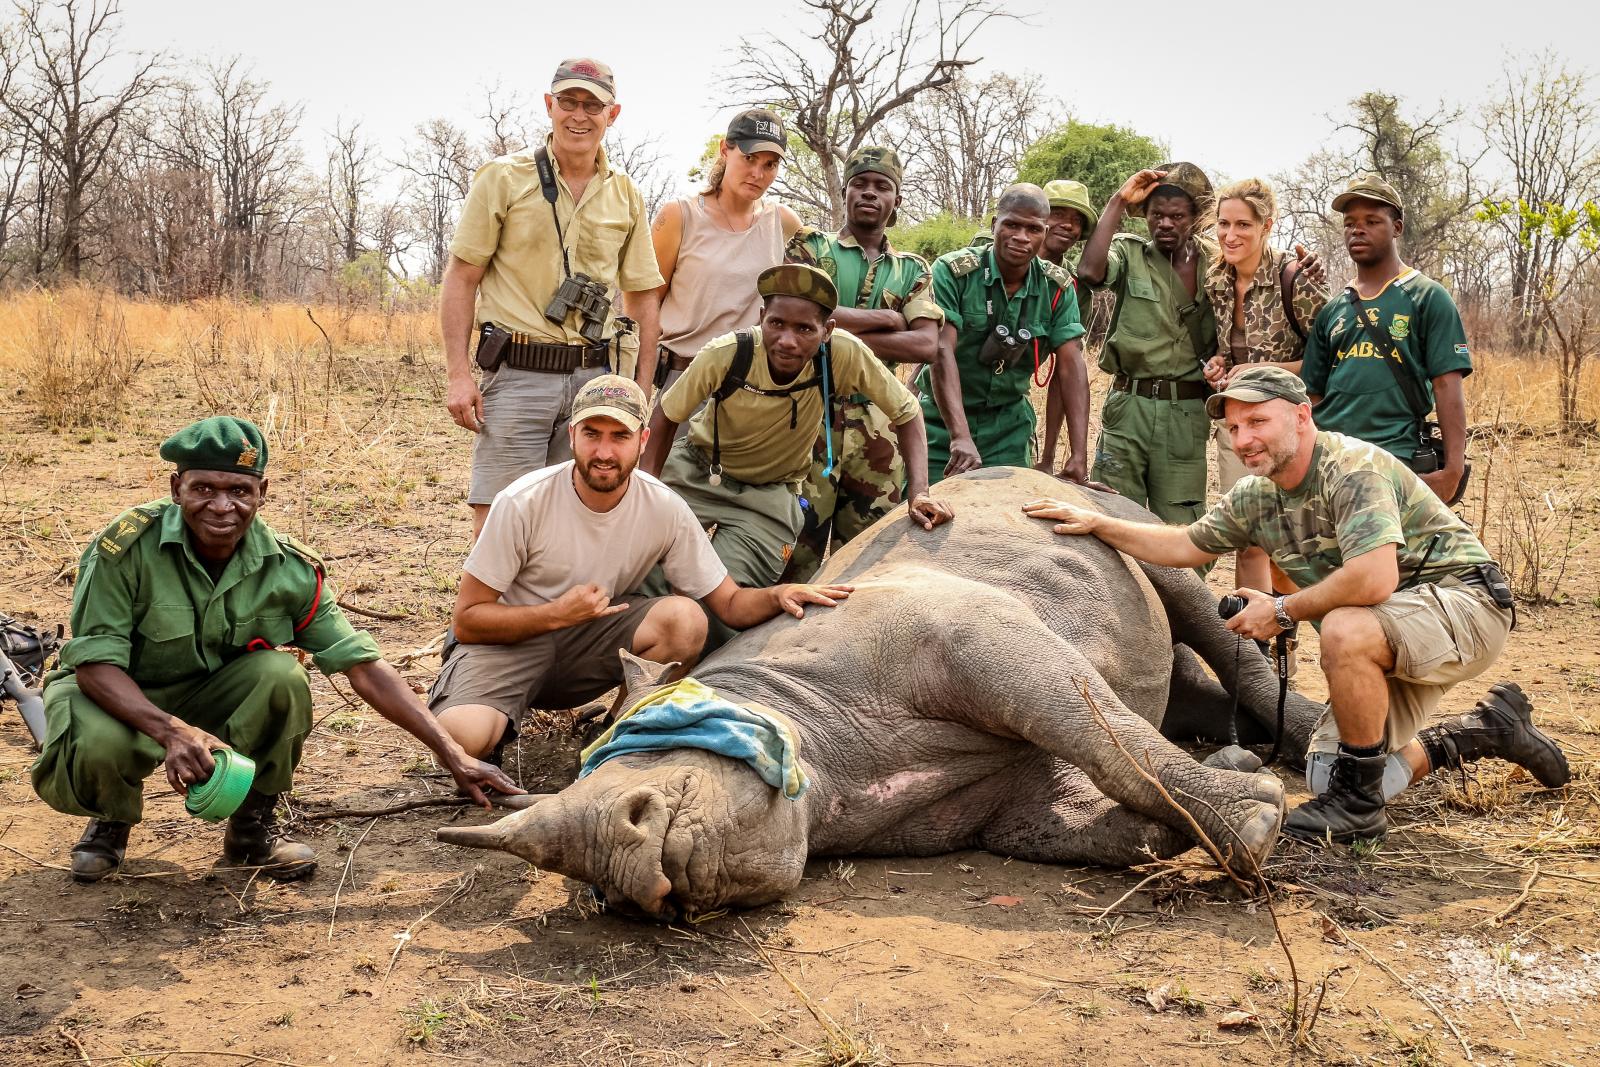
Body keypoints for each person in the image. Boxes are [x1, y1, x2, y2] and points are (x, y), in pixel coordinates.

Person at [1022, 367, 1570, 845]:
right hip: (1394, 623)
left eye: (1258, 421)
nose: (1243, 439)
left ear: (1302, 416)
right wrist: (1098, 521)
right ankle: (1481, 733)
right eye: (1233, 428)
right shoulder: (1257, 495)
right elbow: (1185, 544)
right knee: (1328, 775)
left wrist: (1282, 611)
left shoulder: (1352, 467)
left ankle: (1357, 814)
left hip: (1466, 605)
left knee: (1345, 630)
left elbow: (1375, 577)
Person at [30, 418, 520, 884]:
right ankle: (110, 821)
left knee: (281, 677)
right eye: (204, 488)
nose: (222, 506)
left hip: (208, 693)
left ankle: (251, 833)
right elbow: (95, 665)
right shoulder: (125, 549)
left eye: (239, 491)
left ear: (262, 493)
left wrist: (452, 752)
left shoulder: (289, 569)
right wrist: (173, 731)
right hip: (115, 692)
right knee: (97, 743)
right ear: (176, 487)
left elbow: (364, 667)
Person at [429, 375, 853, 763]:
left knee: (684, 619)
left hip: (589, 643)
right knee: (461, 738)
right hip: (507, 642)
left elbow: (728, 602)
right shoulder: (522, 502)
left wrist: (778, 594)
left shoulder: (663, 506)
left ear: (644, 439)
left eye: (620, 436)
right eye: (591, 434)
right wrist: (555, 614)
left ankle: (618, 732)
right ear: (572, 435)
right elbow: (467, 621)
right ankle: (490, 716)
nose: (604, 452)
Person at [641, 264, 953, 625]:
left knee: (726, 608)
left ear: (826, 331)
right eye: (776, 324)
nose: (787, 340)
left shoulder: (842, 354)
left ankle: (703, 677)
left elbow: (907, 411)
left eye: (804, 328)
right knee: (648, 578)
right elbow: (665, 416)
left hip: (768, 495)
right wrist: (649, 494)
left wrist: (919, 492)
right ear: (761, 318)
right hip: (698, 472)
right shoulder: (727, 353)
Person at [441, 58, 663, 538]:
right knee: (501, 514)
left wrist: (642, 389)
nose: (578, 116)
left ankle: (558, 613)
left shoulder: (626, 194)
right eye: (568, 102)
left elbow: (644, 298)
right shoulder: (502, 177)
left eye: (592, 105)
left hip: (594, 378)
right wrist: (459, 375)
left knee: (577, 517)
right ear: (549, 105)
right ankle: (484, 610)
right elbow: (461, 277)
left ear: (613, 113)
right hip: (518, 373)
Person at [782, 146, 944, 578]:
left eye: (882, 187)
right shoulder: (811, 246)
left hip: (880, 431)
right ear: (845, 190)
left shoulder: (913, 269)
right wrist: (889, 319)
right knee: (792, 555)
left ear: (897, 201)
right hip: (805, 419)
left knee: (866, 563)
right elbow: (795, 318)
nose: (869, 193)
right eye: (860, 184)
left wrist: (832, 325)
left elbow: (927, 345)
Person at [1302, 174, 1472, 504]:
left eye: (1371, 221)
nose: (1357, 230)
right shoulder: (1333, 309)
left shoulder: (1427, 297)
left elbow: (1447, 385)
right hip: (1330, 461)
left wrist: (1453, 468)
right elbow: (1313, 394)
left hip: (1396, 458)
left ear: (1397, 227)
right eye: (1350, 223)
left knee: (1387, 555)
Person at [1200, 177, 1330, 593]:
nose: (1230, 235)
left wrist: (1267, 368)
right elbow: (1232, 353)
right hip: (1239, 423)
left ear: (1267, 226)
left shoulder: (1295, 278)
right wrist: (1222, 366)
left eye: (1243, 225)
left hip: (1289, 423)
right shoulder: (1217, 281)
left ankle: (1286, 636)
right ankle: (1255, 649)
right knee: (1248, 534)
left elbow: (1329, 361)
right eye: (1223, 224)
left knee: (1292, 539)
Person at [919, 183, 1092, 485]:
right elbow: (941, 351)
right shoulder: (954, 271)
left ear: (1044, 232)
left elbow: (1071, 366)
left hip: (1009, 426)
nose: (1021, 237)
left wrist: (1078, 455)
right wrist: (959, 436)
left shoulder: (1057, 287)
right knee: (925, 512)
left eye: (1034, 229)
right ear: (994, 224)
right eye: (1011, 224)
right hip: (941, 423)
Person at [1077, 163, 1218, 525]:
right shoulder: (1129, 252)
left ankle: (1178, 585)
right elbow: (1091, 273)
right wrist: (1118, 201)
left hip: (1185, 411)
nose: (1165, 224)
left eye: (1177, 216)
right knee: (1114, 513)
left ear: (1197, 217)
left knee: (1182, 522)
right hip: (1129, 405)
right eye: (1156, 215)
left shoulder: (1217, 262)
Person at [643, 109, 803, 399]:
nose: (758, 173)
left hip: (753, 386)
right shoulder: (680, 216)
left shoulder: (784, 222)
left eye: (770, 164)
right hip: (684, 379)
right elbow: (646, 303)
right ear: (725, 150)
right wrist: (638, 388)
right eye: (749, 158)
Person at [1036, 179, 1098, 479]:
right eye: (1058, 214)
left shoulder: (1071, 287)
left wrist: (1050, 458)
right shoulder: (990, 256)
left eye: (1076, 221)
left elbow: (1067, 368)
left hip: (1008, 406)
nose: (1068, 226)